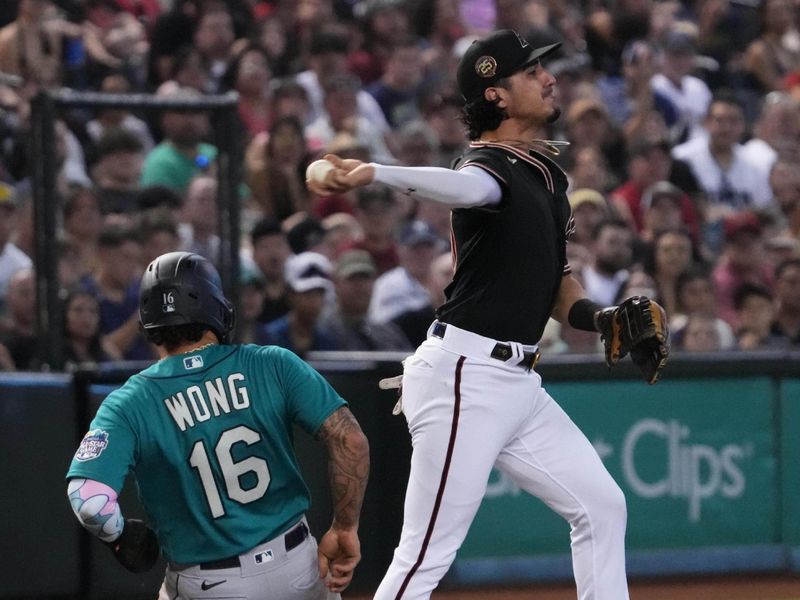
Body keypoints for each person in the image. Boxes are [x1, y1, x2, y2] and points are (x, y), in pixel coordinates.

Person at [308, 29, 662, 600]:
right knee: (422, 558)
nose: (550, 79)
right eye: (532, 72)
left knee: (601, 506)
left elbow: (557, 284)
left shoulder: (546, 175)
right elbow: (463, 187)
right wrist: (377, 172)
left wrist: (603, 320)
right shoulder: (487, 165)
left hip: (515, 381)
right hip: (463, 378)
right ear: (495, 93)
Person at [65, 251, 369, 599]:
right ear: (216, 307)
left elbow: (89, 501)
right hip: (297, 567)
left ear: (148, 322)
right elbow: (351, 440)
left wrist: (119, 536)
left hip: (208, 584)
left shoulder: (129, 403)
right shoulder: (271, 363)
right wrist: (345, 526)